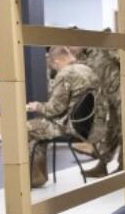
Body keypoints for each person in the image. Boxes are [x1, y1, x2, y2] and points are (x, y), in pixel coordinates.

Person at [26, 46, 99, 188]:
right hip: (87, 124)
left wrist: (37, 106)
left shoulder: (65, 74)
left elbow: (55, 108)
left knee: (26, 128)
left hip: (67, 126)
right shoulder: (87, 69)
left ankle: (34, 178)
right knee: (38, 129)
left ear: (57, 61)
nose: (54, 69)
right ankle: (36, 177)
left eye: (53, 66)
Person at [75, 41, 119, 177]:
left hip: (120, 95)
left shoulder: (100, 51)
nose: (69, 49)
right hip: (111, 96)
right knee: (113, 129)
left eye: (71, 46)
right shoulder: (86, 55)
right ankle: (102, 164)